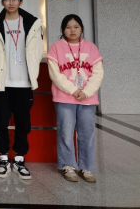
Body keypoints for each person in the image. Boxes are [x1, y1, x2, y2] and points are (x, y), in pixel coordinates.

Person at [0, 0, 43, 180]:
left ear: (21, 2)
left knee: (23, 123)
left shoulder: (33, 23)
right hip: (1, 82)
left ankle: (19, 159)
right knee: (1, 123)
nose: (11, 2)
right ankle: (3, 158)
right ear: (2, 2)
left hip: (24, 83)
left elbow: (37, 51)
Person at [47, 14, 103, 183]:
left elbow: (98, 73)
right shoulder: (56, 47)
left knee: (87, 134)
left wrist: (86, 92)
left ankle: (86, 167)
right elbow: (55, 74)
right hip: (64, 98)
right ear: (63, 29)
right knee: (65, 133)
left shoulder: (91, 48)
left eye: (76, 27)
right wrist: (73, 90)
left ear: (81, 29)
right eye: (68, 27)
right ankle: (68, 165)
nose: (72, 30)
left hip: (87, 99)